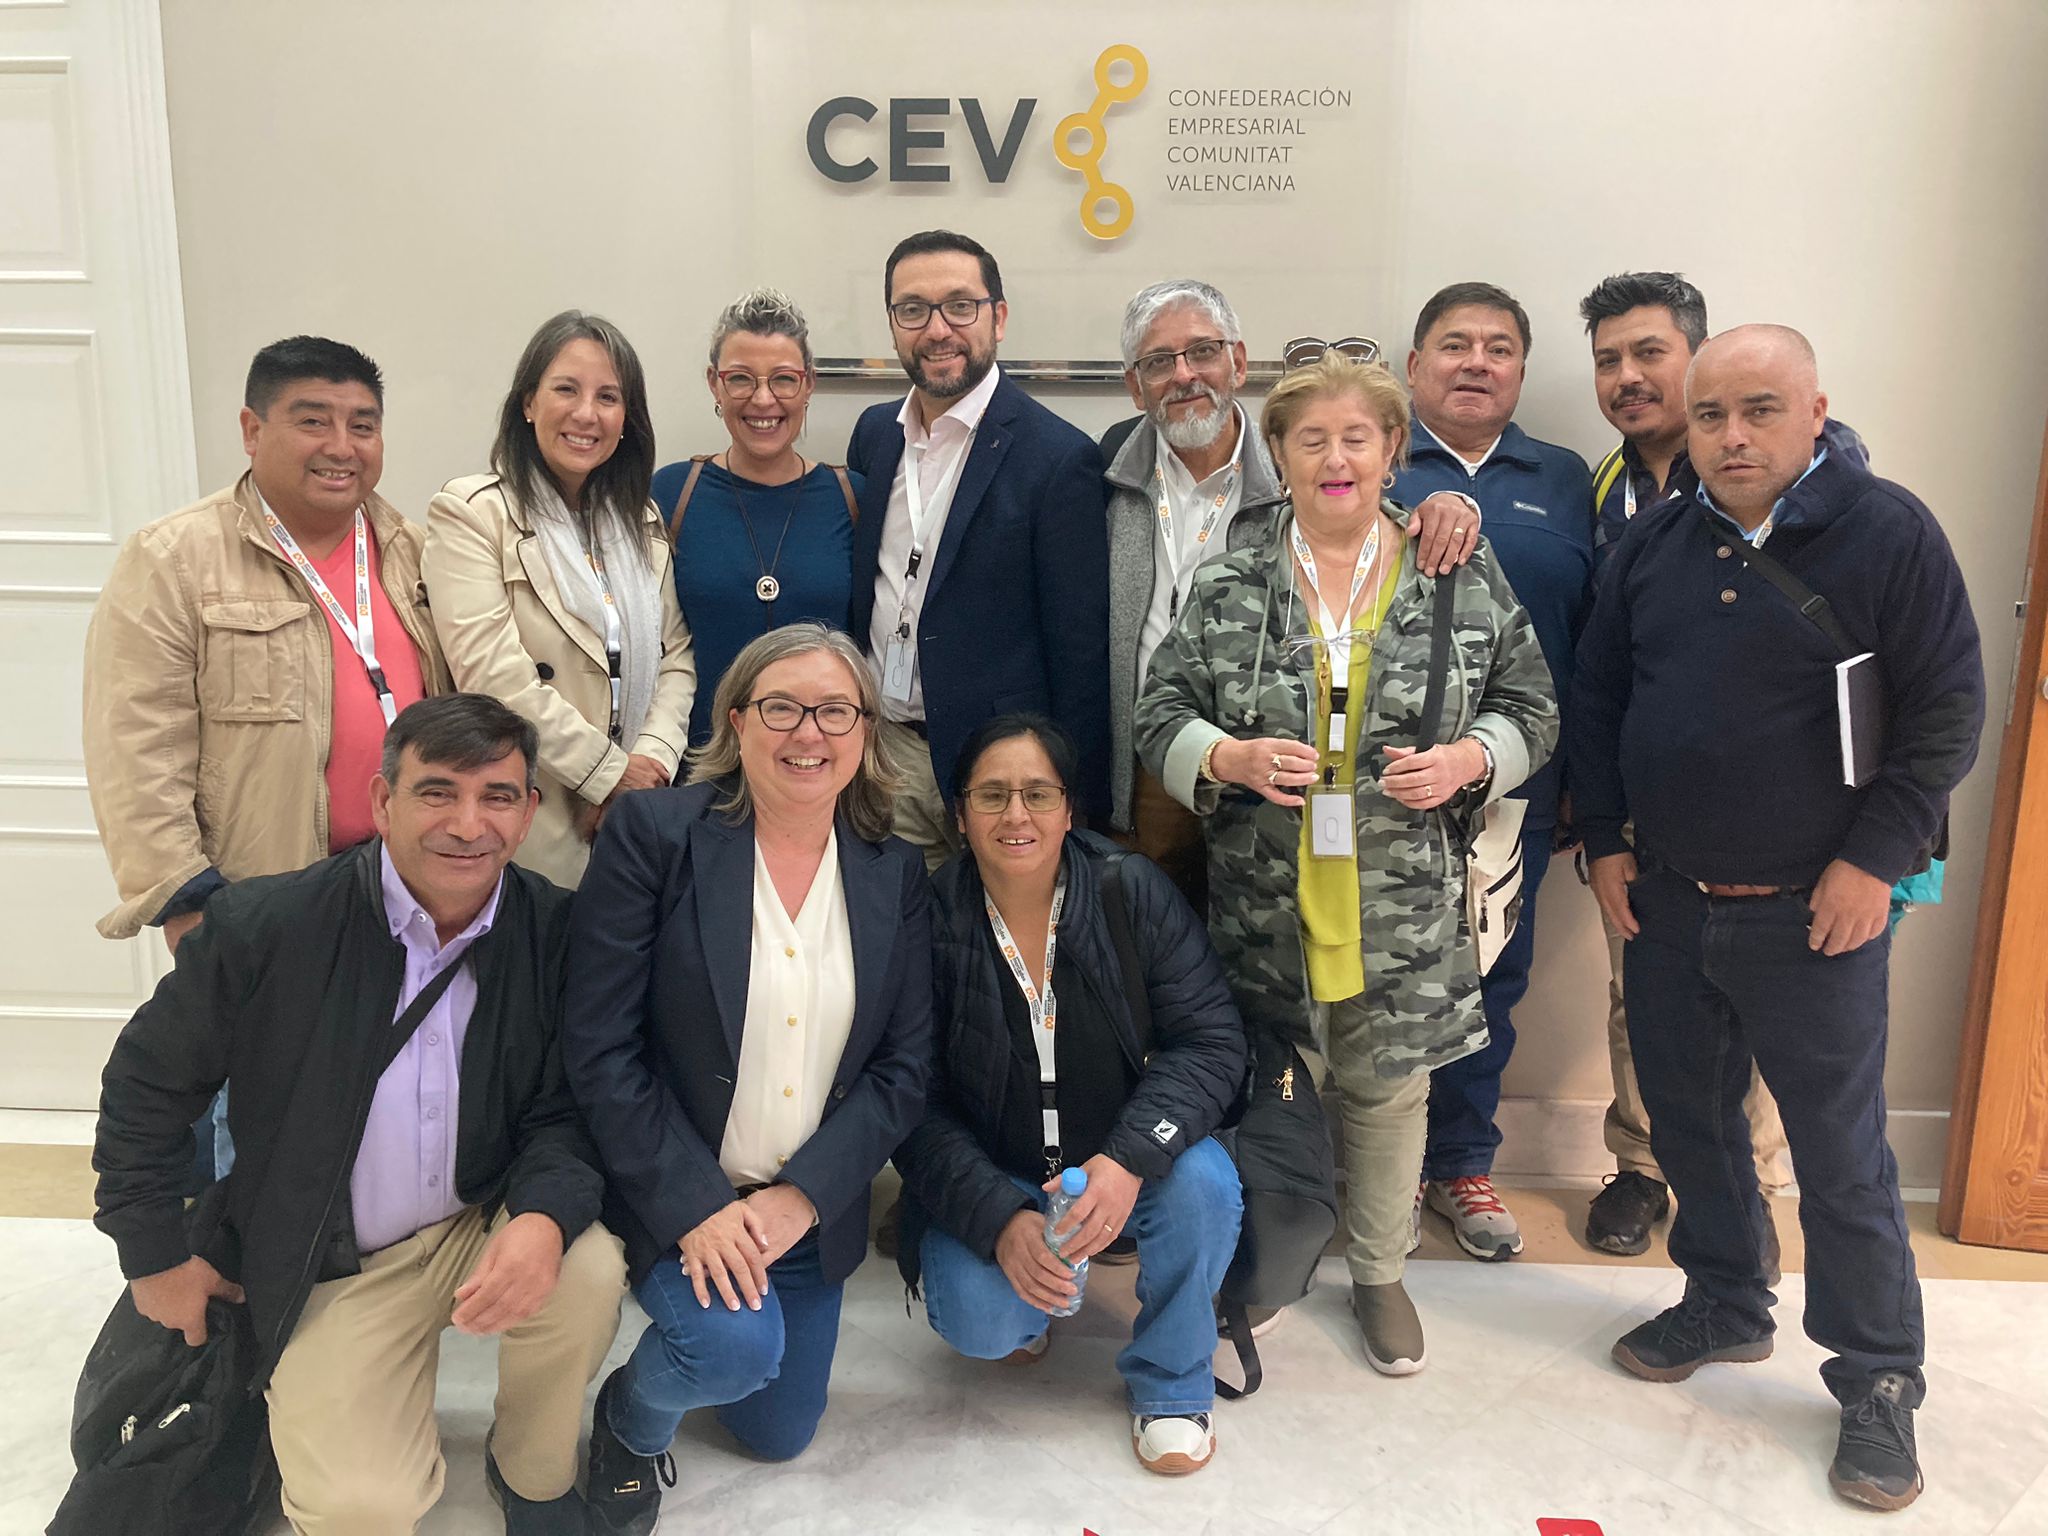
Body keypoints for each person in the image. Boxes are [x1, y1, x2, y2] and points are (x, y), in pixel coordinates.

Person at [1572, 325, 1984, 1511]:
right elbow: (1597, 697)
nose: (1731, 436)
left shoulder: (1887, 531)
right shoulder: (1654, 541)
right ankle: (1723, 1300)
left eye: (1758, 410)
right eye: (1709, 416)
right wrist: (1603, 840)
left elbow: (1945, 713)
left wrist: (1871, 862)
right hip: (1667, 903)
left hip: (1819, 914)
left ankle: (1876, 1376)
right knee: (1691, 1129)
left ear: (1813, 411)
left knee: (1839, 1159)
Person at [91, 694, 627, 1535]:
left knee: (589, 1267)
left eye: (496, 797)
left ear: (527, 814)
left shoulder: (554, 930)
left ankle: (532, 1471)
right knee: (358, 1510)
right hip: (337, 1253)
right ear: (382, 801)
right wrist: (153, 1253)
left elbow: (568, 1105)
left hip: (480, 1213)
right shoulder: (267, 925)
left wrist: (544, 1216)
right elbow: (147, 1084)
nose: (468, 824)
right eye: (437, 791)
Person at [1136, 354, 1556, 1376]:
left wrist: (1469, 760)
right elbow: (1158, 713)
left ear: (1390, 451)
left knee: (1387, 1093)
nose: (1335, 459)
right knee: (1270, 1089)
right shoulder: (1231, 581)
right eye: (1311, 440)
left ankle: (1378, 1273)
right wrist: (1224, 757)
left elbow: (1532, 708)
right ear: (1278, 456)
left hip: (1401, 899)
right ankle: (1270, 1263)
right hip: (1264, 899)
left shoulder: (1455, 572)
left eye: (1355, 438)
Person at [561, 623, 932, 1534]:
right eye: (781, 708)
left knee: (777, 1432)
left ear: (866, 732)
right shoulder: (655, 835)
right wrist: (696, 1205)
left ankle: (726, 1340)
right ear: (736, 720)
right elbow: (600, 1047)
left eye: (835, 711)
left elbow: (904, 1068)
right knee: (730, 1352)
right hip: (679, 1189)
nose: (809, 733)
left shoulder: (892, 869)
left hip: (803, 1212)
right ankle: (628, 1422)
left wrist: (805, 1197)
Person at [83, 334, 445, 1182]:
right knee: (254, 1144)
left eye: (362, 425)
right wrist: (188, 903)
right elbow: (135, 749)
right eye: (312, 420)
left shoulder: (413, 552)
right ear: (252, 429)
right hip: (261, 903)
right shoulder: (175, 558)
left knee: (380, 1135)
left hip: (400, 897)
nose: (341, 446)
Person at [896, 713, 1247, 1474]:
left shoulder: (1129, 888)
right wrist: (998, 1218)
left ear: (1069, 809)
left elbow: (1212, 1041)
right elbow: (910, 1100)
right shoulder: (927, 919)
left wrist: (1127, 1161)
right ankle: (1032, 1303)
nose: (1015, 815)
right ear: (960, 814)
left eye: (1037, 793)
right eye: (991, 795)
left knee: (1205, 1185)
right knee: (980, 1322)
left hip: (1124, 1158)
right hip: (1003, 1172)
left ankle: (1172, 1383)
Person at [1098, 281, 1482, 908]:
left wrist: (1452, 503)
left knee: (1263, 927)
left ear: (1238, 362)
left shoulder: (1296, 455)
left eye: (1203, 352)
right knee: (1151, 936)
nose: (1185, 374)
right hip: (1160, 756)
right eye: (1159, 362)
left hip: (1286, 761)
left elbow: (1367, 504)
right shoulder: (1103, 472)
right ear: (1135, 386)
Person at [1575, 272, 1794, 1257]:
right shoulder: (1600, 488)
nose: (1626, 376)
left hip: (1769, 802)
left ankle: (1751, 1178)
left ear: (1697, 360)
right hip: (1637, 795)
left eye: (1647, 353)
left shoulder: (1783, 487)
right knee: (1641, 992)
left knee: (1760, 993)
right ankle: (1642, 1165)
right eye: (1607, 360)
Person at [1393, 281, 1594, 1263]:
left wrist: (1586, 785)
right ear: (1412, 366)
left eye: (1499, 347)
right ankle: (1374, 1163)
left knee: (1488, 976)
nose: (1476, 361)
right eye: (1454, 343)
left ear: (1520, 369)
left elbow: (1597, 639)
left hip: (1518, 786)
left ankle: (1460, 1162)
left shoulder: (1565, 478)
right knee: (1372, 977)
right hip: (1385, 783)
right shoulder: (1368, 460)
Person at [847, 228, 1112, 870]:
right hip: (881, 758)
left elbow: (1079, 653)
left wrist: (1075, 804)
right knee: (889, 930)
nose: (938, 329)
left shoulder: (1058, 457)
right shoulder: (875, 435)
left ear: (999, 317)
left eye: (960, 306)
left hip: (998, 775)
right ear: (892, 324)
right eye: (913, 309)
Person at [424, 310, 696, 889]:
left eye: (608, 397)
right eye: (566, 389)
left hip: (635, 817)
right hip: (534, 809)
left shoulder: (641, 522)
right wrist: (609, 775)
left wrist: (650, 767)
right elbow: (495, 679)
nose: (586, 413)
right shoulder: (473, 514)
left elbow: (676, 657)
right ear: (528, 402)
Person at [654, 288, 863, 747]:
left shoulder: (852, 497)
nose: (763, 399)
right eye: (741, 379)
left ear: (809, 384)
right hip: (697, 760)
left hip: (819, 760)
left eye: (784, 379)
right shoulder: (670, 494)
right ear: (714, 383)